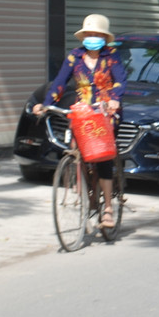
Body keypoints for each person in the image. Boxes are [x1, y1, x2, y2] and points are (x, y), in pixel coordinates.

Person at [34, 14, 128, 227]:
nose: (92, 37)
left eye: (97, 34)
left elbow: (121, 81)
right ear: (83, 36)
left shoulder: (111, 56)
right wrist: (45, 103)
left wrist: (113, 100)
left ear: (104, 37)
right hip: (82, 110)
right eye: (89, 33)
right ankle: (85, 190)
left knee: (102, 157)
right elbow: (59, 83)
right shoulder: (74, 57)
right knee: (78, 151)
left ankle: (108, 210)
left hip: (105, 112)